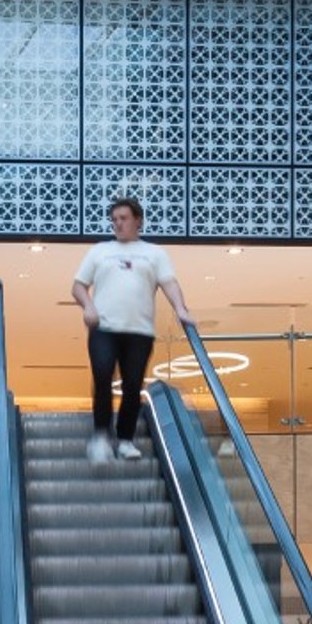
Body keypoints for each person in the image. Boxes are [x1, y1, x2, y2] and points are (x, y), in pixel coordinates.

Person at [71, 195, 191, 462]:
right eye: (114, 220)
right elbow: (78, 286)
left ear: (138, 221)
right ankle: (101, 437)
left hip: (140, 332)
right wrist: (88, 306)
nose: (118, 223)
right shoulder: (99, 251)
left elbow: (169, 283)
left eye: (124, 218)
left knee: (133, 385)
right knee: (102, 377)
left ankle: (125, 440)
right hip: (104, 328)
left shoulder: (154, 253)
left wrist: (181, 309)